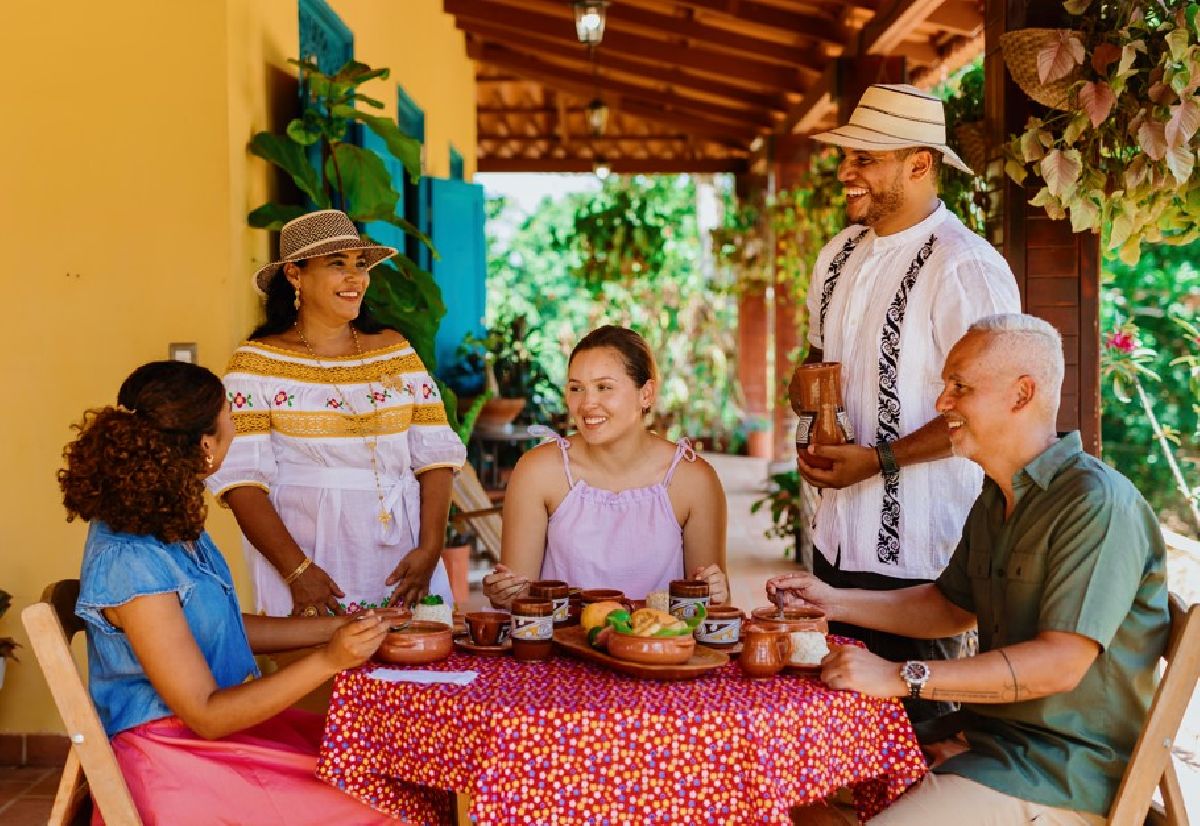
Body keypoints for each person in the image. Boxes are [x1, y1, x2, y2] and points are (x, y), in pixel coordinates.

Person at [771, 314, 1170, 825]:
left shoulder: (1095, 504)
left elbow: (1059, 663)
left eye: (960, 387)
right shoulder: (999, 493)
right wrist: (831, 601)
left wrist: (901, 675)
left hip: (1064, 776)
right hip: (988, 745)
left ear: (1021, 395)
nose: (942, 404)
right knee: (797, 789)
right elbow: (949, 608)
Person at [61, 360, 398, 825]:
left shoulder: (166, 524)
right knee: (389, 803)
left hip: (214, 739)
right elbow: (206, 715)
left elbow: (218, 630)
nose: (235, 428)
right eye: (229, 417)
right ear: (204, 446)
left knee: (390, 766)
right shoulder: (130, 562)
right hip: (177, 762)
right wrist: (330, 659)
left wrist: (339, 627)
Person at [781, 83, 1021, 733]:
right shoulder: (836, 257)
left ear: (919, 163)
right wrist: (809, 415)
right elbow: (817, 356)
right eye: (847, 156)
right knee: (838, 738)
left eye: (865, 158)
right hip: (833, 541)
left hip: (924, 561)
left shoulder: (964, 266)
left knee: (918, 746)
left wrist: (879, 459)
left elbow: (995, 405)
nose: (845, 171)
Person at [207, 209, 467, 616]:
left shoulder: (393, 349)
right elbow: (241, 481)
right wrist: (298, 573)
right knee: (320, 673)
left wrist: (431, 547)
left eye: (360, 265)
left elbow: (434, 453)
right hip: (309, 558)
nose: (355, 278)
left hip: (406, 556)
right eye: (336, 264)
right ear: (295, 274)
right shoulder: (255, 364)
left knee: (415, 667)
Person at [483, 325, 730, 606]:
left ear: (646, 394)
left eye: (604, 387)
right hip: (558, 647)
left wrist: (716, 592)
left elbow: (712, 607)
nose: (587, 404)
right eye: (576, 388)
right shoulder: (538, 471)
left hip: (660, 644)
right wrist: (503, 592)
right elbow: (519, 600)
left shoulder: (693, 479)